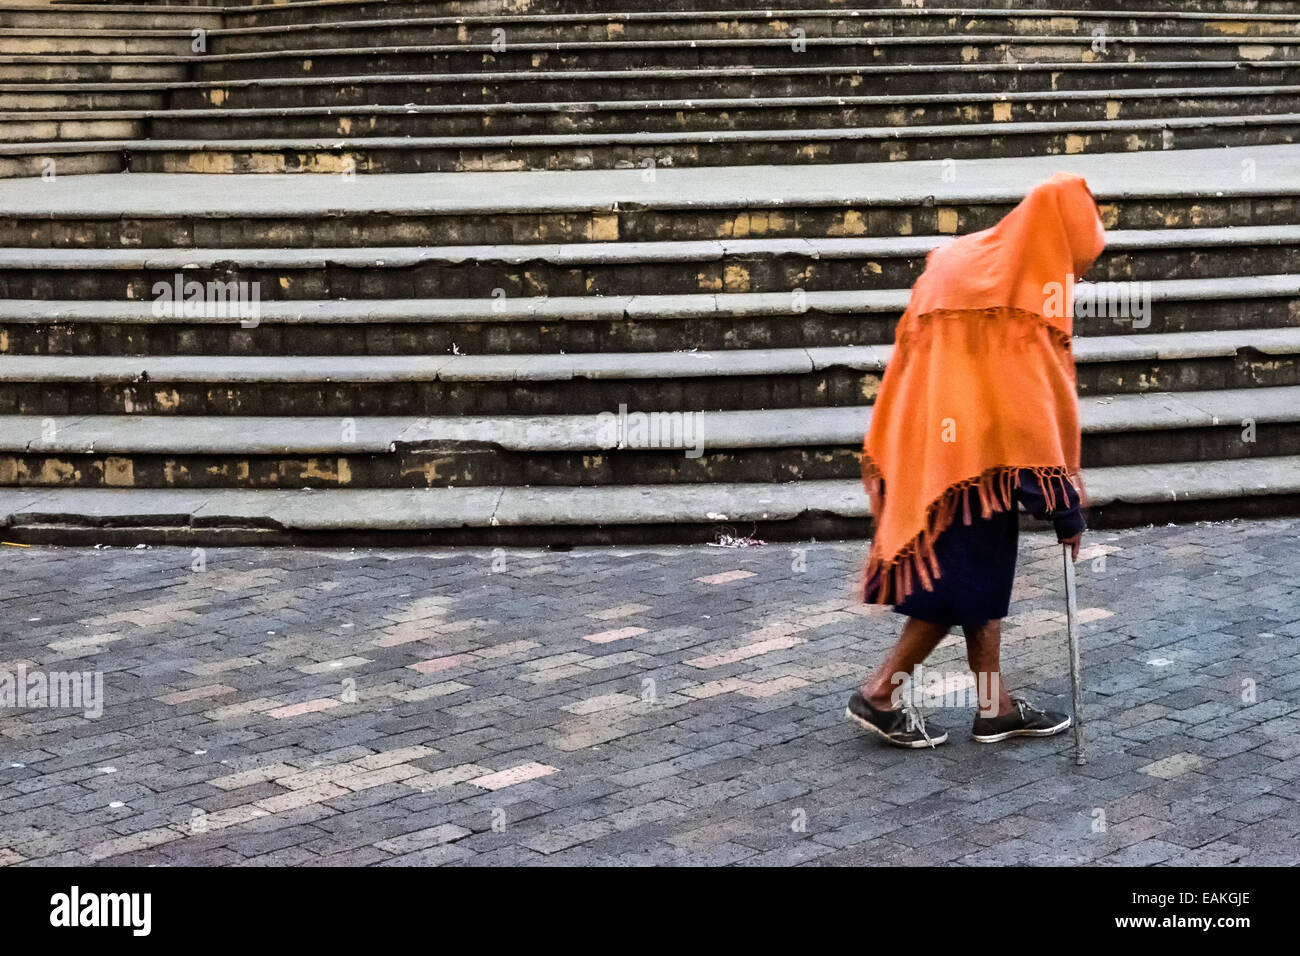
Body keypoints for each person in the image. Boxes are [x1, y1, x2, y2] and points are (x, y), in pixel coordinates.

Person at [846, 172, 1105, 749]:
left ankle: (994, 707)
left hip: (926, 449)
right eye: (1077, 258)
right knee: (954, 589)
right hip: (975, 466)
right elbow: (1026, 408)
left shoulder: (960, 259)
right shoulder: (1022, 292)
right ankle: (880, 693)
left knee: (976, 584)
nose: (1075, 274)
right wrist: (1061, 506)